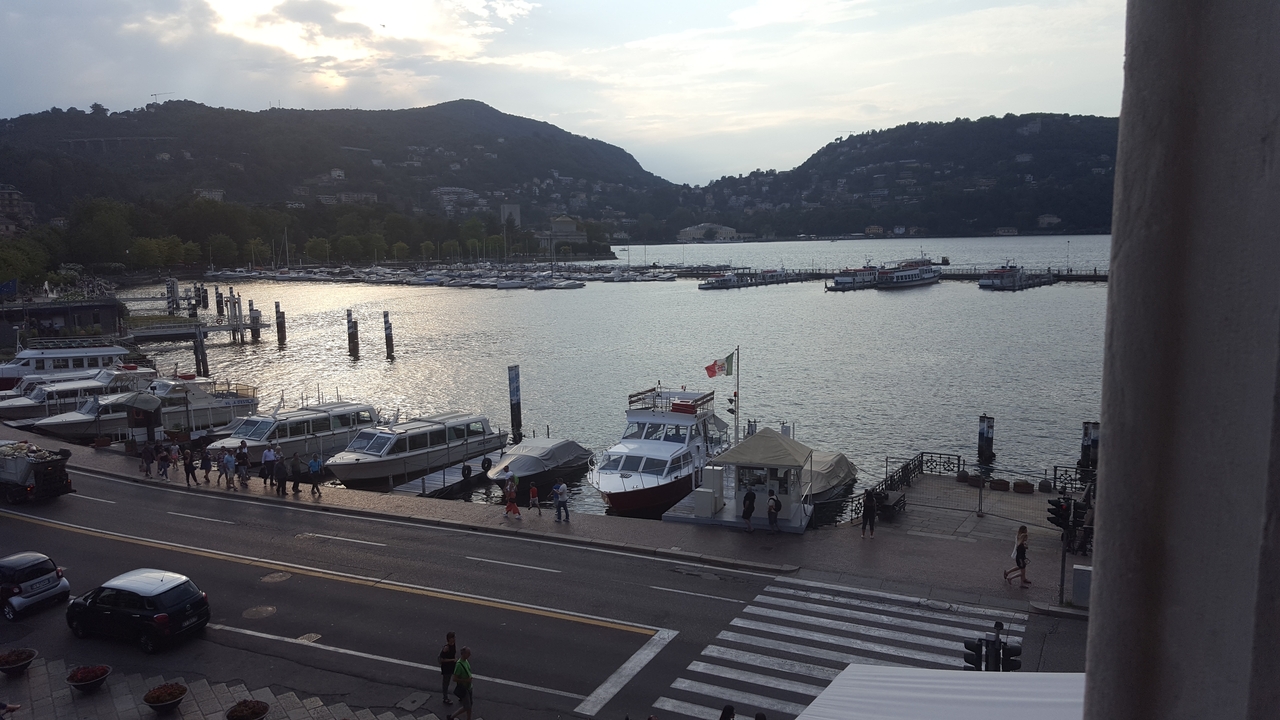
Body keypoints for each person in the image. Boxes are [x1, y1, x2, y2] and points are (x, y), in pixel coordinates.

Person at [446, 646, 473, 720]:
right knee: (467, 707)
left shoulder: (466, 661)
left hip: (469, 687)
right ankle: (452, 716)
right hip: (464, 688)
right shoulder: (459, 665)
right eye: (468, 653)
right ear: (463, 654)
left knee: (469, 705)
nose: (470, 654)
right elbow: (454, 679)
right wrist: (466, 680)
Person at [438, 632, 457, 707]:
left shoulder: (453, 645)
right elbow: (442, 659)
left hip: (452, 666)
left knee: (457, 678)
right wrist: (452, 660)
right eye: (453, 638)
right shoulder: (446, 648)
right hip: (447, 668)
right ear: (449, 639)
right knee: (446, 682)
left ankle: (460, 694)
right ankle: (445, 697)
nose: (454, 639)